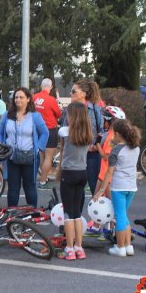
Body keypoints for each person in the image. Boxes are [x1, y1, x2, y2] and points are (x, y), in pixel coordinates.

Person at [93, 119, 141, 257]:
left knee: (119, 216)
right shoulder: (136, 147)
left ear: (119, 134)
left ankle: (120, 247)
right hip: (132, 186)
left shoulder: (116, 150)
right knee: (124, 215)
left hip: (119, 186)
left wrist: (101, 191)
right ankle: (128, 245)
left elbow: (109, 172)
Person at [0, 87, 49, 208]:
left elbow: (45, 133)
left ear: (28, 99)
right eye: (16, 97)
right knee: (13, 189)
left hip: (30, 157)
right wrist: (2, 146)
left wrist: (38, 148)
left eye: (21, 97)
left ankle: (31, 216)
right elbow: (0, 133)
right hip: (11, 157)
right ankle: (12, 217)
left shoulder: (35, 116)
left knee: (29, 188)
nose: (18, 100)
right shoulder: (7, 115)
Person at [56, 102, 93, 260]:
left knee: (68, 214)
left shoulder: (65, 131)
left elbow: (63, 149)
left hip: (68, 173)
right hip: (82, 173)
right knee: (77, 213)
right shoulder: (88, 134)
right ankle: (79, 247)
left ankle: (69, 248)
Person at [87, 106, 126, 235]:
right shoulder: (110, 134)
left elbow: (106, 156)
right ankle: (98, 225)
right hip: (103, 174)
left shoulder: (112, 137)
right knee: (98, 199)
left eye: (105, 119)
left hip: (106, 176)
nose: (103, 122)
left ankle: (111, 228)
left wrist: (97, 143)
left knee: (107, 202)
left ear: (110, 121)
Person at [63, 79, 104, 195]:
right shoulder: (69, 110)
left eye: (73, 91)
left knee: (93, 185)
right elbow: (64, 130)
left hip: (92, 154)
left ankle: (96, 211)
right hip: (74, 154)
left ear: (84, 94)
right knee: (76, 189)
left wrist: (96, 145)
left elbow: (102, 130)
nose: (71, 94)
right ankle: (77, 213)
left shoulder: (95, 108)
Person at [33, 78, 62, 189]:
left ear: (41, 86)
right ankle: (43, 181)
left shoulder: (34, 97)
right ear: (50, 87)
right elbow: (59, 114)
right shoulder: (51, 99)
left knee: (42, 156)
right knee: (49, 157)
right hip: (49, 129)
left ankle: (43, 176)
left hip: (37, 130)